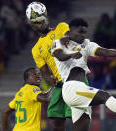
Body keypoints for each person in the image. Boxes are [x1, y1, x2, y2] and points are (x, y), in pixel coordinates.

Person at [51, 18, 116, 131]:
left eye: (85, 32)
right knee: (104, 96)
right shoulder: (58, 42)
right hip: (71, 88)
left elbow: (104, 51)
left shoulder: (86, 44)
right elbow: (59, 55)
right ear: (70, 30)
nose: (83, 35)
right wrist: (71, 55)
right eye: (80, 32)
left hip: (81, 88)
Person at [26, 2, 86, 131]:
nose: (40, 23)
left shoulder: (61, 27)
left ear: (46, 17)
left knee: (76, 118)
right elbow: (44, 72)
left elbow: (69, 38)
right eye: (36, 22)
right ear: (32, 25)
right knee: (57, 121)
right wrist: (48, 79)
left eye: (42, 20)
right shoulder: (36, 49)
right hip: (59, 84)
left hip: (74, 78)